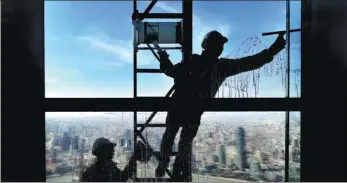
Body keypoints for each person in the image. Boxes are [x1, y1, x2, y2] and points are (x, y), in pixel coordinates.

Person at [155, 30, 286, 181]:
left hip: (177, 106)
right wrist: (273, 50)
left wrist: (163, 57)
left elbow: (170, 70)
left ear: (204, 45)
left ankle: (163, 164)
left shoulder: (192, 62)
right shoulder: (221, 66)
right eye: (219, 45)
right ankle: (177, 174)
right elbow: (250, 63)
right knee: (184, 144)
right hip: (194, 111)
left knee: (169, 136)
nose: (220, 48)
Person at [81, 137, 152, 182]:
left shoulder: (92, 171)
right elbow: (122, 178)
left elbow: (122, 178)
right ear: (102, 152)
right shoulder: (106, 169)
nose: (113, 150)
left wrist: (133, 159)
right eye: (110, 148)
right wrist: (133, 159)